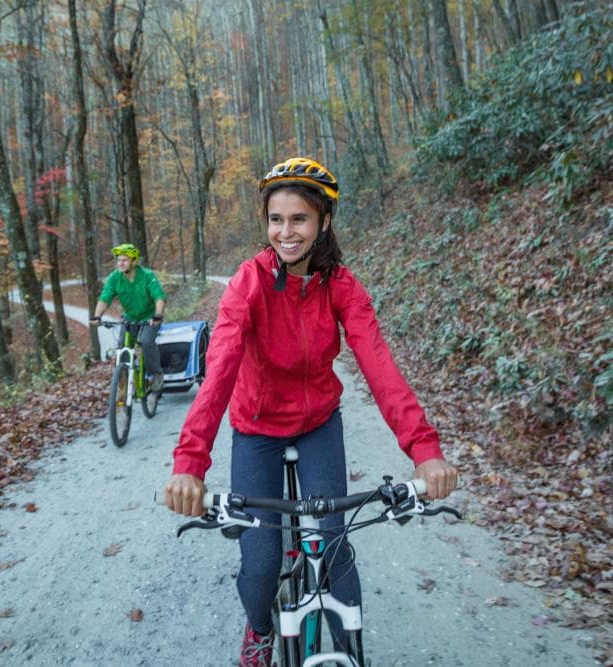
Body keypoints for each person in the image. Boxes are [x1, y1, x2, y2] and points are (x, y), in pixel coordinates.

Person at [160, 157, 458, 667]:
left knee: (335, 550)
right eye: (276, 219)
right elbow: (220, 375)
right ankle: (258, 629)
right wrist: (190, 464)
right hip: (256, 429)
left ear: (323, 222)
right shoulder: (247, 284)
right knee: (260, 565)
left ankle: (349, 652)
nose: (286, 231)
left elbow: (380, 369)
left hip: (320, 422)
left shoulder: (341, 284)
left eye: (299, 219)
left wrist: (425, 451)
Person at [90, 243, 166, 391]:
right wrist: (97, 316)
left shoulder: (147, 276)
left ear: (134, 261)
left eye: (124, 260)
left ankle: (156, 374)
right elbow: (105, 298)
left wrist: (158, 315)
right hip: (130, 317)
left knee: (146, 342)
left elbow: (159, 297)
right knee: (122, 348)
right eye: (119, 260)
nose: (121, 263)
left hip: (150, 316)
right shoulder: (114, 278)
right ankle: (124, 386)